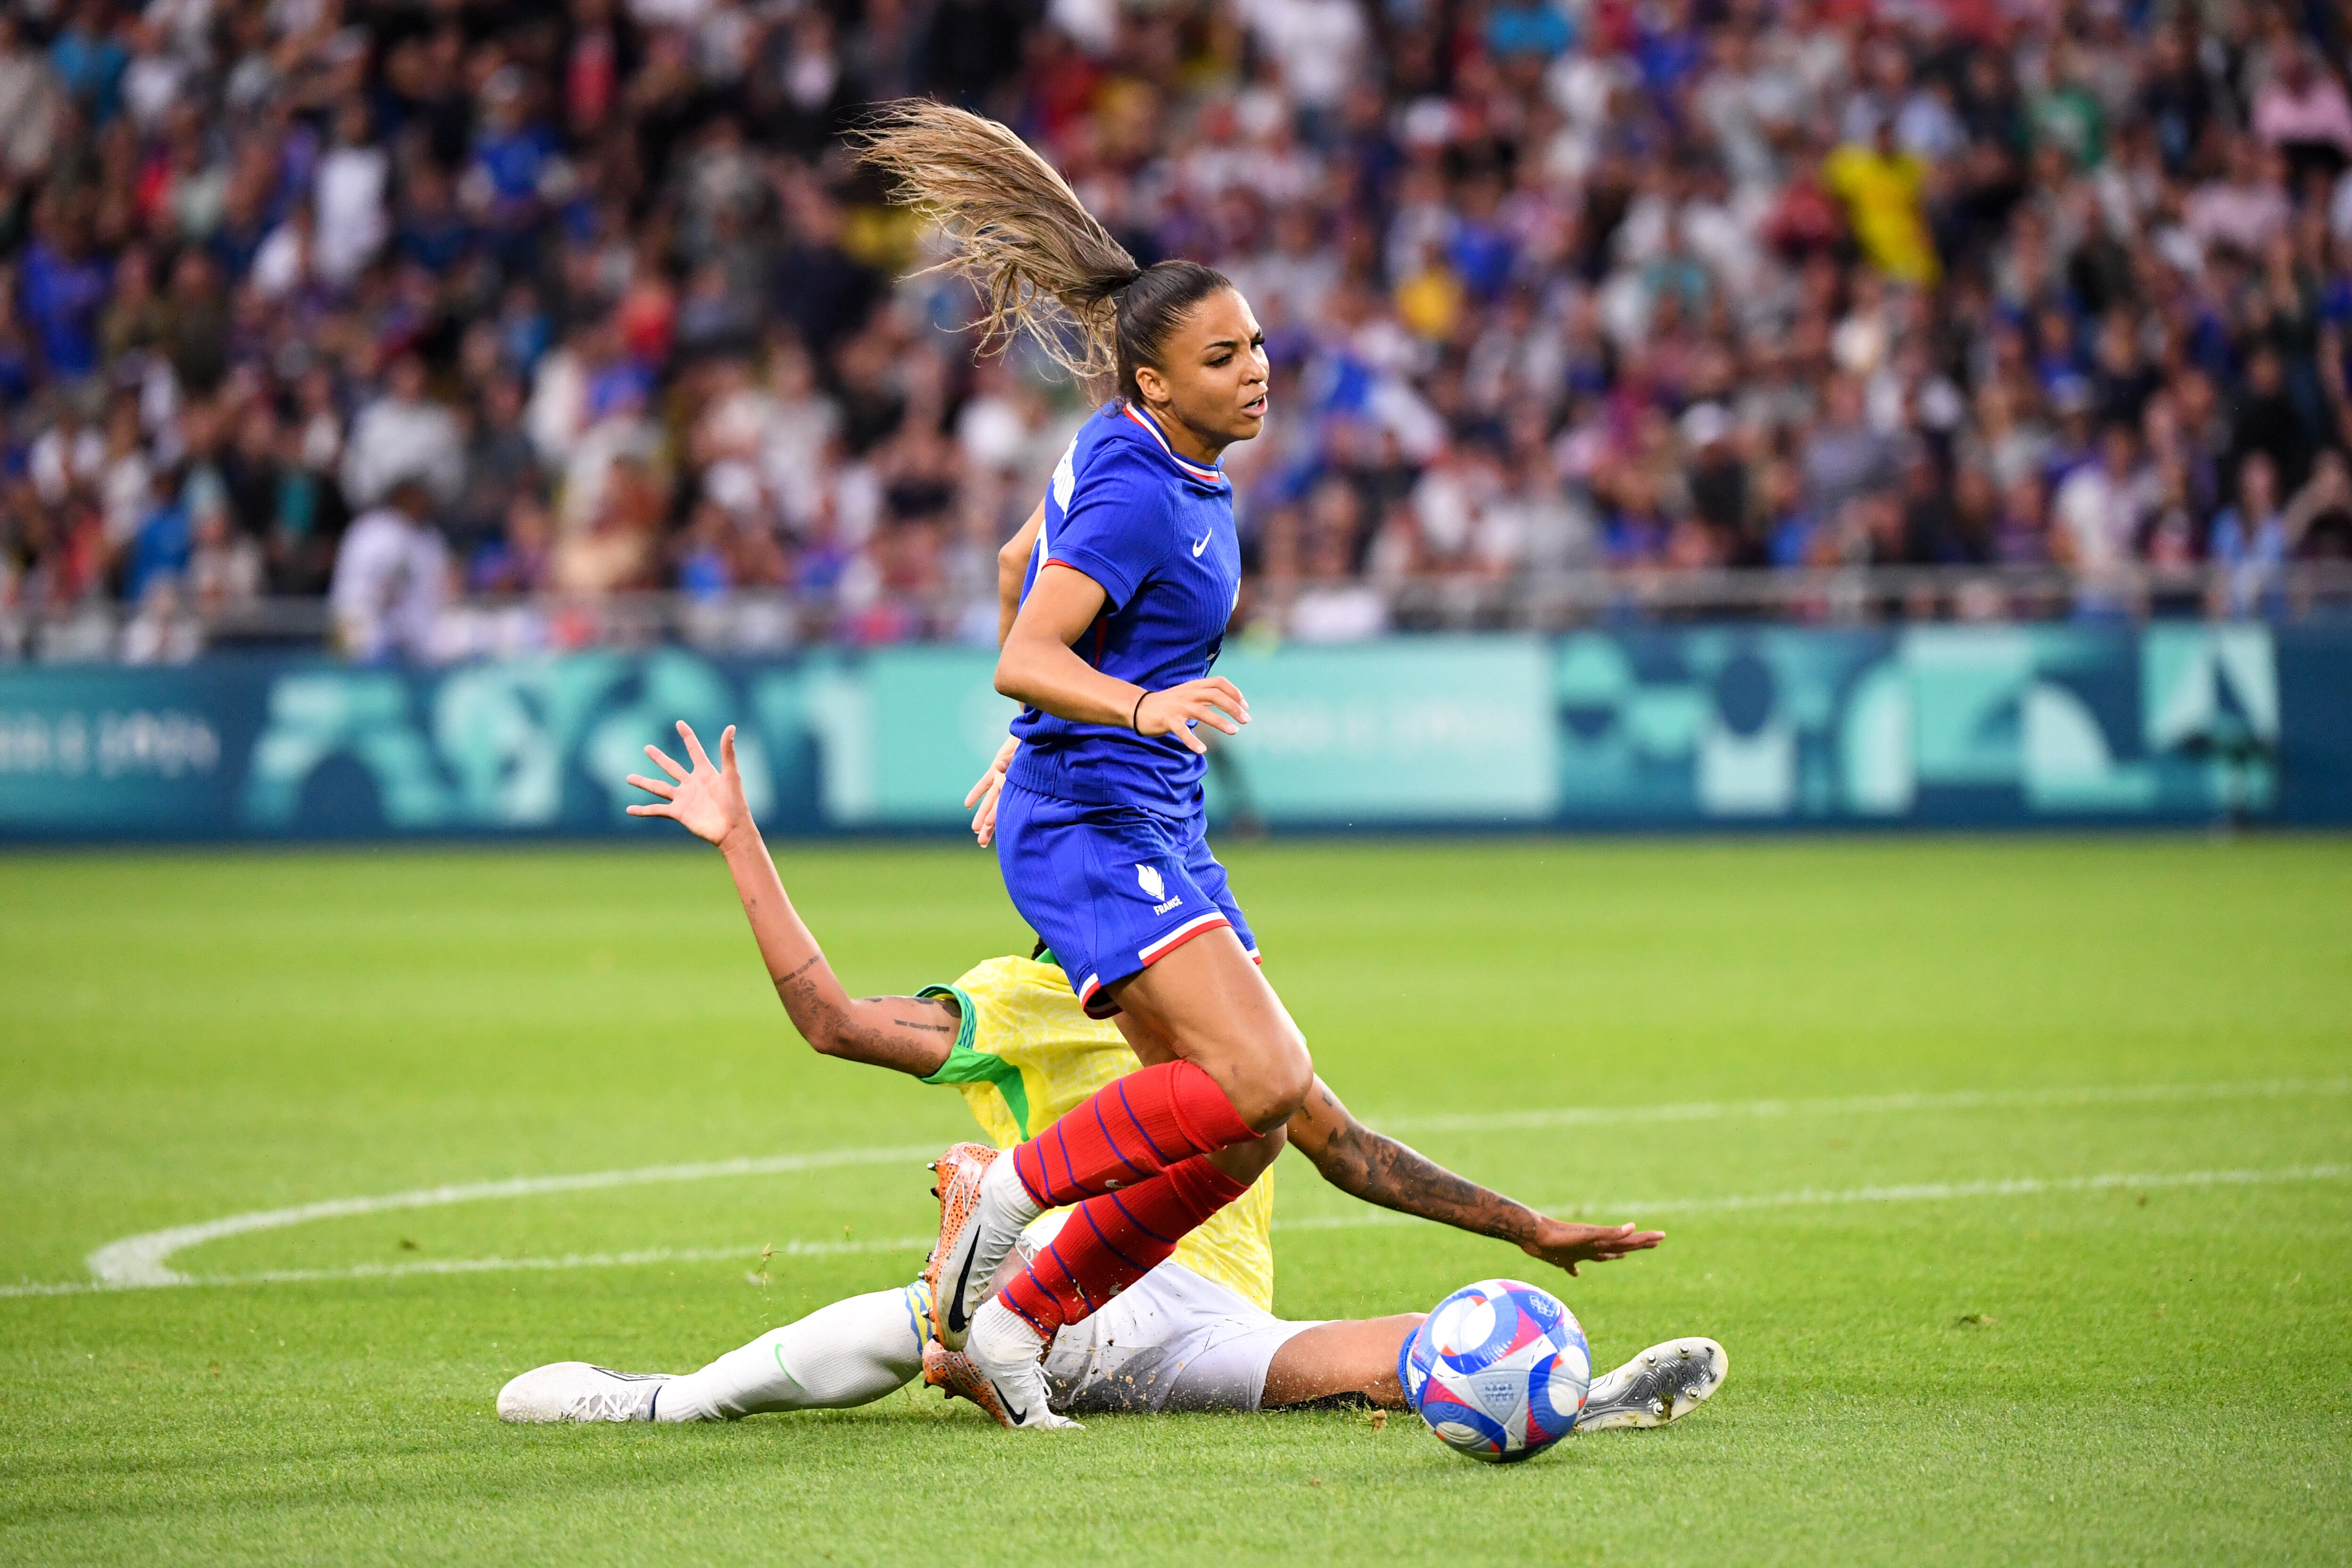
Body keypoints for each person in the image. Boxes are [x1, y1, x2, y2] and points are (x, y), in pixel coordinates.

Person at [502, 721, 1714, 1430]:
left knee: (1403, 1355)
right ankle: (662, 1399)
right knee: (940, 1304)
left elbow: (1348, 1151)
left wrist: (1523, 1229)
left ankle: (1567, 1397)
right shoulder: (1017, 999)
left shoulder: (1223, 1010)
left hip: (1212, 1327)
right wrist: (741, 842)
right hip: (1091, 1297)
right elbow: (827, 1019)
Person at [851, 101, 1441, 1428]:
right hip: (1100, 816)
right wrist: (1120, 707)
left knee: (1238, 1123)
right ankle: (1001, 1199)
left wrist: (1033, 746)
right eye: (1223, 354)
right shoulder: (1139, 490)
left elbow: (1015, 571)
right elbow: (1023, 644)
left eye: (1257, 343)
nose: (1257, 368)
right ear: (1154, 383)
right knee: (1262, 1081)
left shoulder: (1140, 454)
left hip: (1134, 812)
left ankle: (1021, 1318)